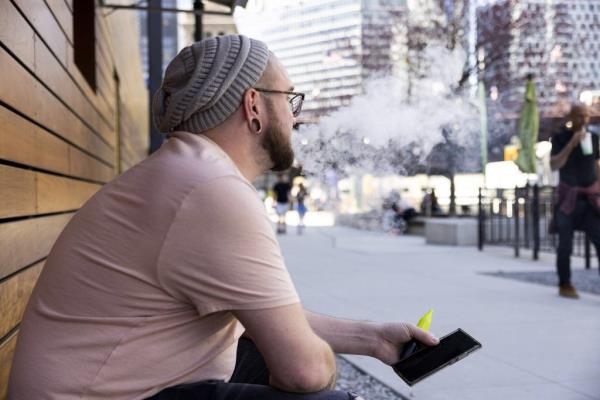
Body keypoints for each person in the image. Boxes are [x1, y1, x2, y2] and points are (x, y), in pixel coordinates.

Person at [8, 35, 438, 400]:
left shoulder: (184, 172)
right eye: (289, 98)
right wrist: (316, 370)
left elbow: (262, 317)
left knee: (254, 351)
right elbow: (304, 370)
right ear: (253, 105)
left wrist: (374, 340)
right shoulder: (210, 189)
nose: (295, 114)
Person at [550, 102, 600, 299]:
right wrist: (572, 144)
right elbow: (554, 165)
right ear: (571, 117)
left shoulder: (593, 138)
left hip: (589, 199)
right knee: (565, 244)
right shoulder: (560, 137)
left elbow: (595, 164)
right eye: (579, 116)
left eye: (586, 116)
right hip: (568, 200)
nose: (583, 120)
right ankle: (565, 283)